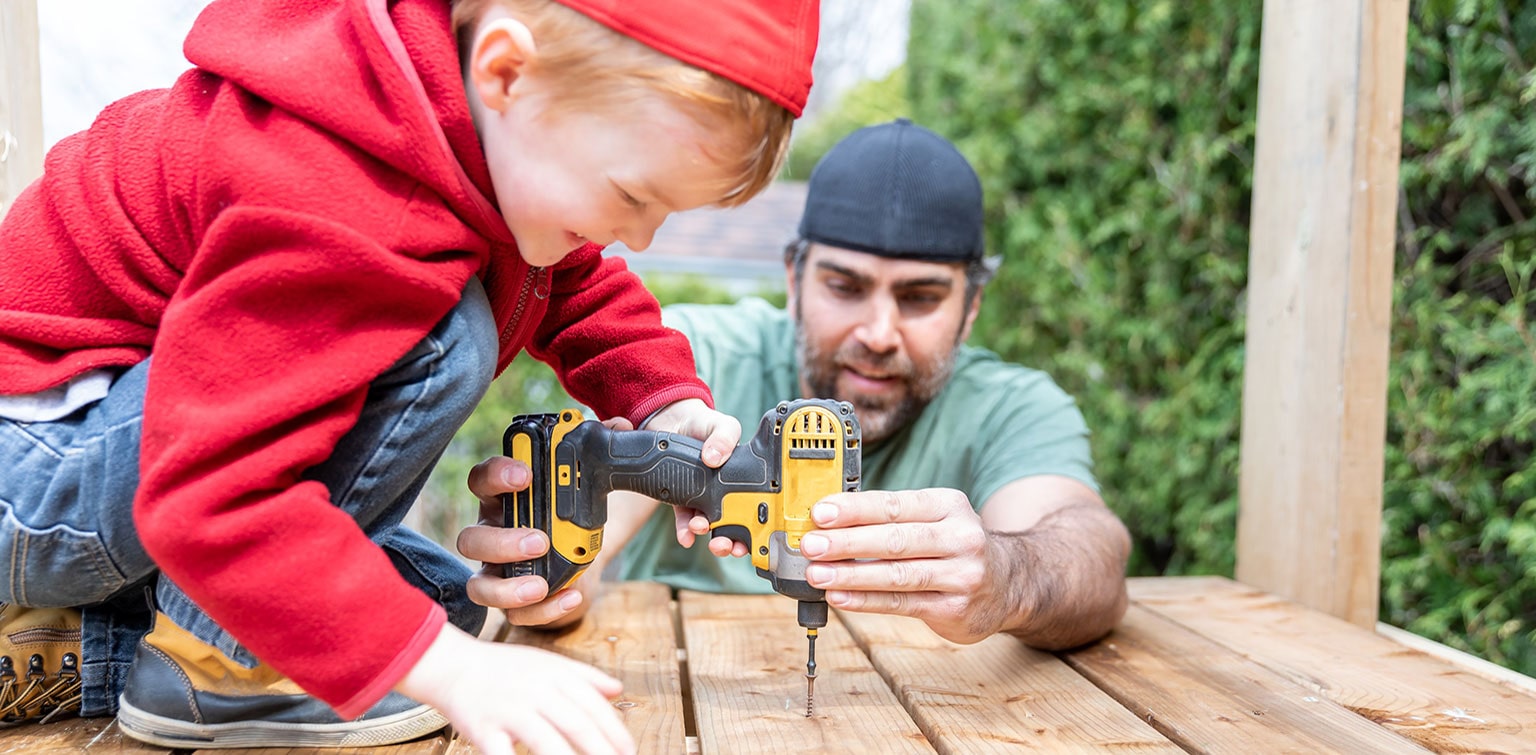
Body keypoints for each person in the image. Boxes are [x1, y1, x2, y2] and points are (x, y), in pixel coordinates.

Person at [0, 0, 819, 751]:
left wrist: (664, 400)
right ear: (504, 71)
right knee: (441, 337)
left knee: (443, 600)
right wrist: (458, 674)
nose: (638, 236)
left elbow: (572, 277)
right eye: (632, 195)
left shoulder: (461, 138)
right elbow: (211, 490)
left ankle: (89, 641)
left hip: (111, 464)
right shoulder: (336, 193)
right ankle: (221, 666)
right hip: (39, 468)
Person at [458, 119, 1132, 653]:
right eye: (845, 286)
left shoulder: (1011, 407)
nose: (878, 330)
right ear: (793, 277)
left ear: (972, 307)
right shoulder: (681, 364)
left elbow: (1090, 554)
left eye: (921, 296)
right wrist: (542, 575)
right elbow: (584, 541)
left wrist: (1004, 578)